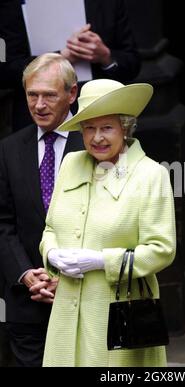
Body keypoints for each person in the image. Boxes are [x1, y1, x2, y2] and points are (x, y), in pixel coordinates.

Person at [37, 79, 176, 367]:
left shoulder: (151, 175)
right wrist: (51, 253)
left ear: (125, 127)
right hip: (66, 313)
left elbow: (162, 249)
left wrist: (101, 260)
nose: (97, 137)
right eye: (89, 128)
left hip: (119, 314)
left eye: (107, 128)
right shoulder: (70, 164)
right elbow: (50, 229)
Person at [0, 53, 84, 366]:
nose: (39, 105)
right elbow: (3, 222)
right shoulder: (9, 149)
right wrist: (25, 274)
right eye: (32, 95)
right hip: (27, 300)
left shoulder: (94, 144)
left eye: (49, 95)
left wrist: (69, 274)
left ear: (71, 93)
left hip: (81, 294)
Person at [0, 0, 140, 131]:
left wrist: (105, 56)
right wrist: (61, 57)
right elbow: (5, 70)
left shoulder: (108, 3)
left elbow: (132, 63)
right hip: (37, 121)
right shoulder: (12, 4)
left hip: (98, 116)